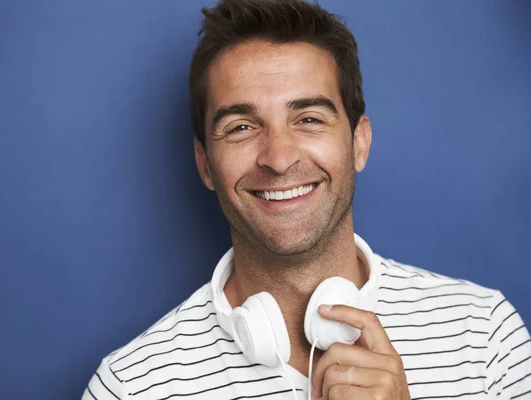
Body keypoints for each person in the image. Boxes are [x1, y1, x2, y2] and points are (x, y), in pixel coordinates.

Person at [82, 0, 531, 399]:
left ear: (358, 143)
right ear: (205, 164)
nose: (278, 158)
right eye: (241, 127)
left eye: (309, 119)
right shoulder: (130, 386)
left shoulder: (485, 336)